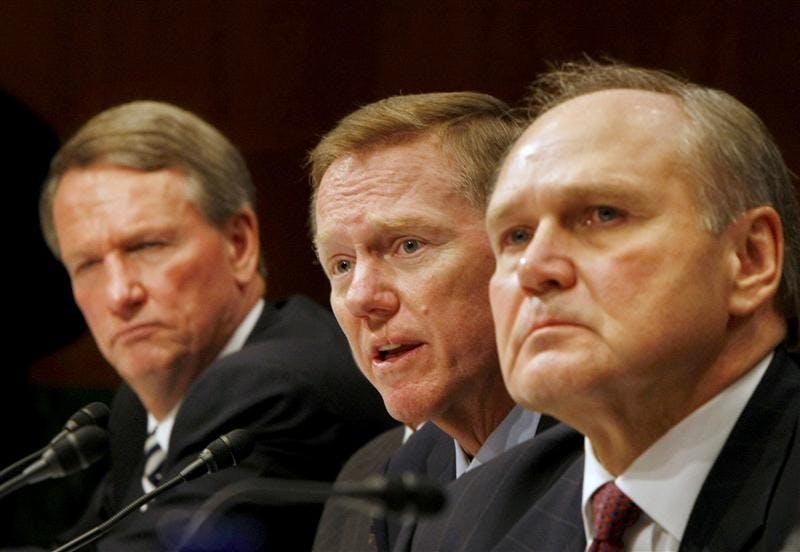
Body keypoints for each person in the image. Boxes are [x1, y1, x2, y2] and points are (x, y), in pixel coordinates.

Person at [410, 59, 800, 551]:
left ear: (749, 258)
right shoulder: (468, 519)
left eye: (603, 215)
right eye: (516, 236)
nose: (534, 268)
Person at [37, 100, 395, 551]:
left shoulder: (279, 387)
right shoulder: (137, 412)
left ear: (239, 244)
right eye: (88, 264)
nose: (119, 293)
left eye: (147, 247)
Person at [309, 92, 551, 551]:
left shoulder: (612, 451)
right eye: (341, 264)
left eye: (408, 246)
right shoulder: (388, 477)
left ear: (519, 247)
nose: (361, 297)